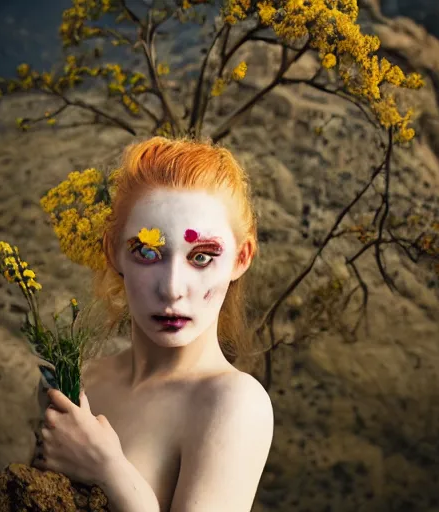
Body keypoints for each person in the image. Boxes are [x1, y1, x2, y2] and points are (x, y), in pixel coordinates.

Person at [33, 136, 274, 512]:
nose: (173, 288)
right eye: (147, 252)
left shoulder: (233, 403)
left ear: (240, 259)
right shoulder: (83, 383)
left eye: (202, 257)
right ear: (112, 251)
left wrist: (108, 470)